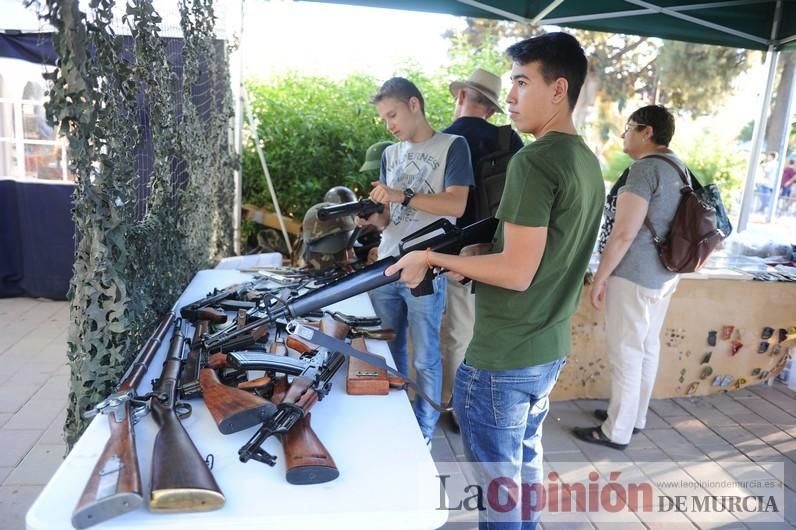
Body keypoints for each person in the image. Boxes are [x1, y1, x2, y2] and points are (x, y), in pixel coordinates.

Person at [385, 33, 604, 528]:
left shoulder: (535, 160)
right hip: (546, 348)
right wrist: (482, 251)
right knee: (523, 474)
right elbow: (543, 255)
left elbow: (517, 272)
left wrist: (432, 257)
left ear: (558, 89)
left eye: (522, 82)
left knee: (498, 495)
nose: (509, 96)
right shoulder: (586, 161)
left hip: (501, 359)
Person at [359, 77, 473, 445]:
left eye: (392, 114)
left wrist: (401, 194)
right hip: (388, 265)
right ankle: (396, 422)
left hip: (427, 266)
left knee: (425, 357)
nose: (389, 124)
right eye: (383, 118)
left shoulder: (454, 146)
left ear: (413, 104)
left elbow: (457, 204)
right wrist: (373, 219)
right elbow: (392, 218)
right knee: (387, 353)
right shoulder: (390, 154)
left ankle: (423, 431)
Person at [573, 105, 684, 452]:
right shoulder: (677, 166)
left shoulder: (645, 170)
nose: (623, 135)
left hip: (634, 275)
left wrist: (602, 276)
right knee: (647, 348)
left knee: (627, 353)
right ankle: (634, 417)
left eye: (628, 128)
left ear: (647, 131)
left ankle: (616, 431)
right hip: (664, 275)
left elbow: (623, 233)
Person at [440, 69, 524, 410]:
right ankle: (491, 403)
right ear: (490, 108)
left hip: (456, 251)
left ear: (461, 97)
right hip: (503, 251)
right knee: (493, 333)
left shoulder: (442, 140)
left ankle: (459, 408)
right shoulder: (510, 142)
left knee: (459, 333)